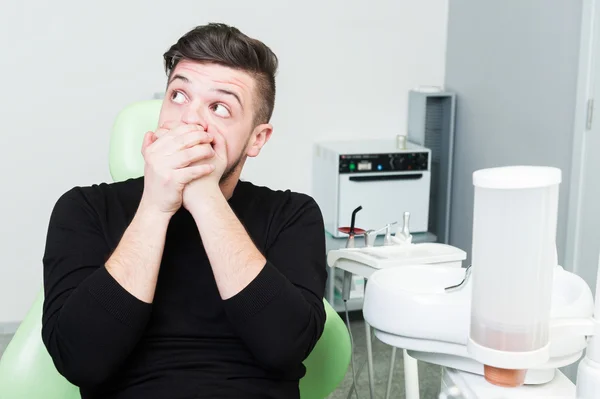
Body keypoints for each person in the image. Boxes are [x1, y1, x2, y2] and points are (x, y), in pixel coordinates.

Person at [41, 23, 328, 399]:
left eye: (220, 107)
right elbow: (80, 360)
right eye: (178, 95)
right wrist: (156, 207)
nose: (189, 120)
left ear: (257, 138)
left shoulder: (293, 214)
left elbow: (285, 348)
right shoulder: (84, 209)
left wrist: (205, 197)